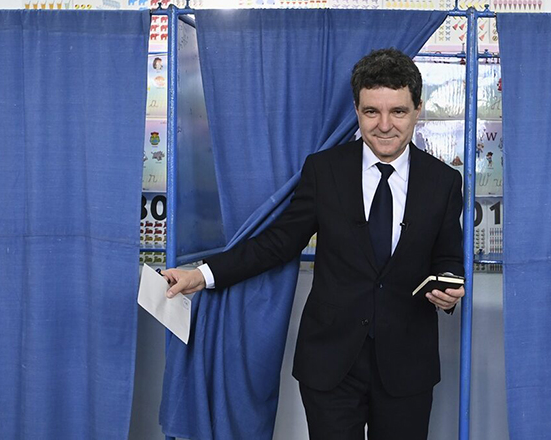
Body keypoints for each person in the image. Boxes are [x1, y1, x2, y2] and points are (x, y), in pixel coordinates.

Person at [162, 48, 465, 440]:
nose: (384, 125)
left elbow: (448, 257)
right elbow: (278, 242)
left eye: (398, 111)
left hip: (408, 364)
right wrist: (201, 276)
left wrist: (449, 290)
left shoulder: (443, 181)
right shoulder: (324, 170)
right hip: (330, 362)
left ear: (417, 109)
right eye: (371, 111)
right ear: (356, 110)